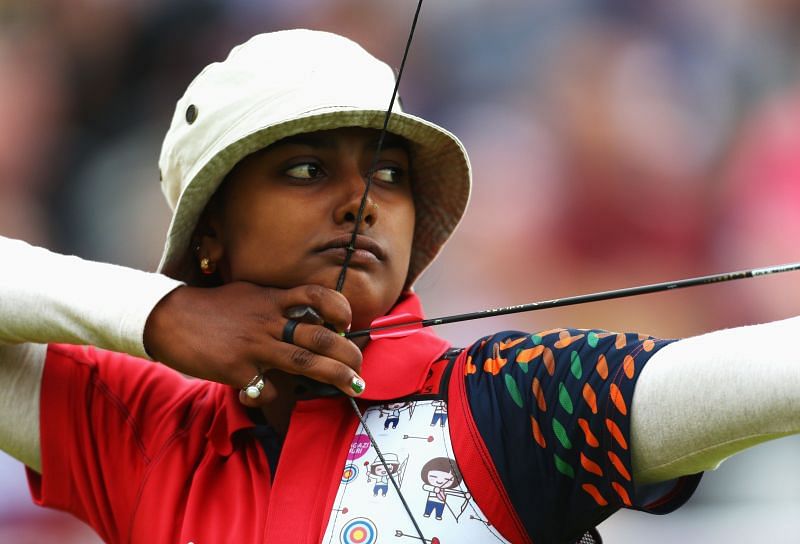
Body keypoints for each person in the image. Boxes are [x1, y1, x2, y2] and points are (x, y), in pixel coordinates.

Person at [1, 29, 799, 544]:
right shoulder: (144, 429)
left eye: (388, 172)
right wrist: (160, 317)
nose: (363, 202)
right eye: (306, 170)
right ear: (210, 234)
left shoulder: (504, 402)